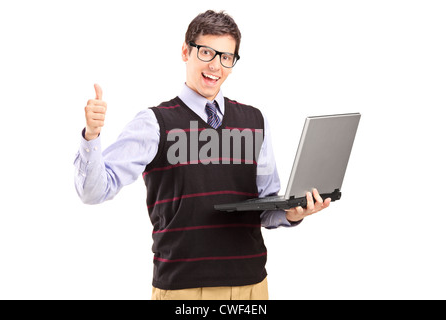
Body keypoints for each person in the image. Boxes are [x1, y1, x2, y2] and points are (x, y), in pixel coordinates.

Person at [74, 10, 330, 300]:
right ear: (186, 51)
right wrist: (91, 137)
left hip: (252, 286)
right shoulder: (155, 122)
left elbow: (265, 206)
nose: (215, 66)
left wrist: (292, 212)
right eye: (207, 52)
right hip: (183, 289)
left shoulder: (254, 120)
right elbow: (93, 192)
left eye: (226, 57)